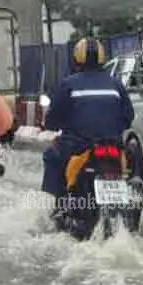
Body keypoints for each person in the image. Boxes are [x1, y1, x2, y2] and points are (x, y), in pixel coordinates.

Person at [41, 37, 134, 204]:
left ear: (76, 59)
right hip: (113, 146)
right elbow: (128, 117)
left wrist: (52, 125)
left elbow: (52, 119)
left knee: (51, 155)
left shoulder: (68, 84)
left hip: (78, 145)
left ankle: (58, 205)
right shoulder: (115, 84)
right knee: (131, 171)